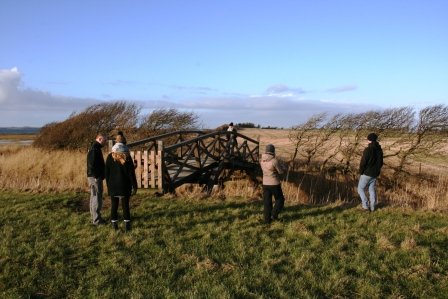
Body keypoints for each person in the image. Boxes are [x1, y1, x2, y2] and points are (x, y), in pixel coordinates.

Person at [105, 143, 138, 231]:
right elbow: (131, 174)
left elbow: (107, 173)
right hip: (125, 186)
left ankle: (114, 225)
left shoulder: (109, 157)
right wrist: (135, 186)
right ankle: (127, 225)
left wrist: (108, 185)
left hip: (113, 185)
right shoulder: (127, 158)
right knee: (125, 205)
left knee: (114, 205)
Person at [260, 144, 285, 224]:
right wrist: (283, 167)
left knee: (267, 202)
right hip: (274, 183)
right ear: (273, 151)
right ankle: (274, 215)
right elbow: (280, 171)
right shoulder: (274, 160)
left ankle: (267, 221)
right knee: (280, 199)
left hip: (265, 183)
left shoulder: (262, 161)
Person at [358, 132, 383, 212]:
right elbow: (380, 163)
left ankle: (365, 206)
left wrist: (361, 171)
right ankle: (372, 207)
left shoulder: (367, 150)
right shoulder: (379, 150)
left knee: (360, 189)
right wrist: (377, 171)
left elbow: (363, 162)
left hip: (366, 173)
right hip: (375, 174)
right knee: (371, 189)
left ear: (369, 140)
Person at [87, 133, 107, 225]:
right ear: (99, 139)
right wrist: (95, 176)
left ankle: (94, 217)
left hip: (94, 176)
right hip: (95, 177)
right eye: (104, 140)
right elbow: (91, 164)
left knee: (94, 196)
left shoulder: (96, 148)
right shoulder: (94, 149)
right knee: (96, 197)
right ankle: (97, 220)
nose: (105, 142)